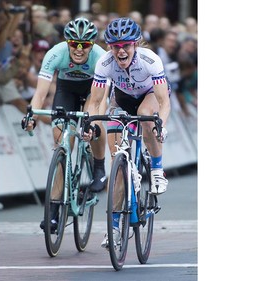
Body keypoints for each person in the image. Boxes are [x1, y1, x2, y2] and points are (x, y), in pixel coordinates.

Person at [83, 17, 171, 247]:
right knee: (118, 167)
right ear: (110, 47)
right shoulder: (104, 64)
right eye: (115, 47)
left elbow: (164, 102)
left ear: (136, 44)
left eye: (126, 46)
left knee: (145, 115)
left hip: (149, 96)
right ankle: (113, 226)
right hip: (122, 99)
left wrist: (160, 124)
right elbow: (95, 101)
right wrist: (92, 125)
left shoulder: (150, 60)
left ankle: (157, 168)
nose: (121, 52)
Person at [22, 17, 109, 231]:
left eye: (85, 45)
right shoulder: (55, 53)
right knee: (62, 144)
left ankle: (99, 168)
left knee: (93, 121)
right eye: (74, 45)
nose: (79, 50)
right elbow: (41, 92)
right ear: (67, 43)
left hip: (92, 90)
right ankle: (53, 212)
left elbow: (100, 101)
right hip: (66, 89)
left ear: (92, 45)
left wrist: (92, 124)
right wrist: (31, 115)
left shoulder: (101, 58)